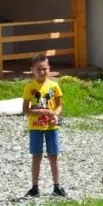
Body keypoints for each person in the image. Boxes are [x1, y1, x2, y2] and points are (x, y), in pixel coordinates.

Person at [22, 54, 66, 198]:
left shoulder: (54, 86)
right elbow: (25, 109)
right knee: (36, 156)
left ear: (49, 69)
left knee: (53, 156)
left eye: (44, 69)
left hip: (51, 127)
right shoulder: (29, 87)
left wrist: (55, 115)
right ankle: (35, 187)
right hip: (35, 126)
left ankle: (57, 186)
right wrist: (39, 111)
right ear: (32, 70)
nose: (42, 72)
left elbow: (59, 106)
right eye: (38, 69)